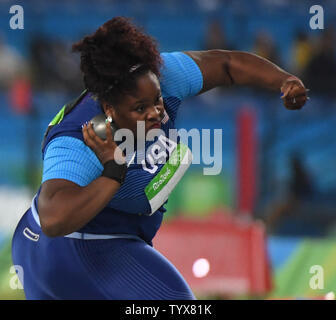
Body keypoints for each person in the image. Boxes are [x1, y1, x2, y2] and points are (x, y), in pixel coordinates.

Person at [11, 17, 308, 300]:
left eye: (156, 100)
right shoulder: (79, 139)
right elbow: (53, 219)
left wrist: (284, 80)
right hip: (69, 248)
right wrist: (113, 172)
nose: (155, 112)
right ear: (110, 109)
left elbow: (227, 64)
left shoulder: (160, 78)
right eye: (140, 108)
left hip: (103, 241)